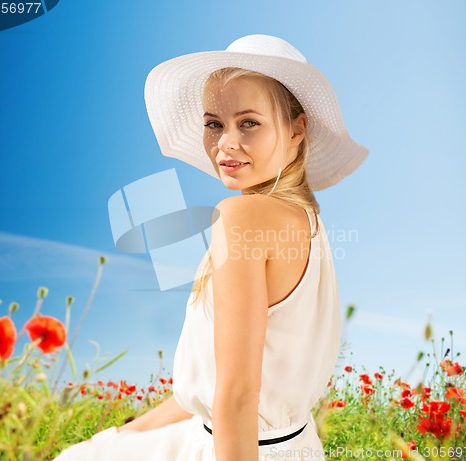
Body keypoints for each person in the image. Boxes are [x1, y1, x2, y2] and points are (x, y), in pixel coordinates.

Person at [53, 34, 368, 461]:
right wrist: (119, 435)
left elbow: (238, 396)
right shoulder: (308, 224)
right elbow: (212, 388)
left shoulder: (241, 219)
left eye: (249, 123)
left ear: (298, 128)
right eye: (214, 123)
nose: (225, 144)